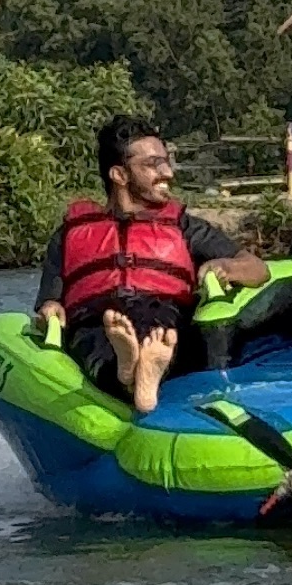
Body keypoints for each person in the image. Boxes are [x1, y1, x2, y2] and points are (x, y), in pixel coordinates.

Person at [36, 116, 268, 418]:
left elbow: (257, 268)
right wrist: (50, 310)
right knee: (95, 339)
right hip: (95, 318)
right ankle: (130, 370)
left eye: (166, 162)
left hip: (162, 311)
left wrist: (226, 266)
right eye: (153, 164)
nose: (167, 173)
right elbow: (50, 302)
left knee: (159, 329)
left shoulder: (185, 227)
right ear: (119, 174)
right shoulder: (70, 233)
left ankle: (136, 372)